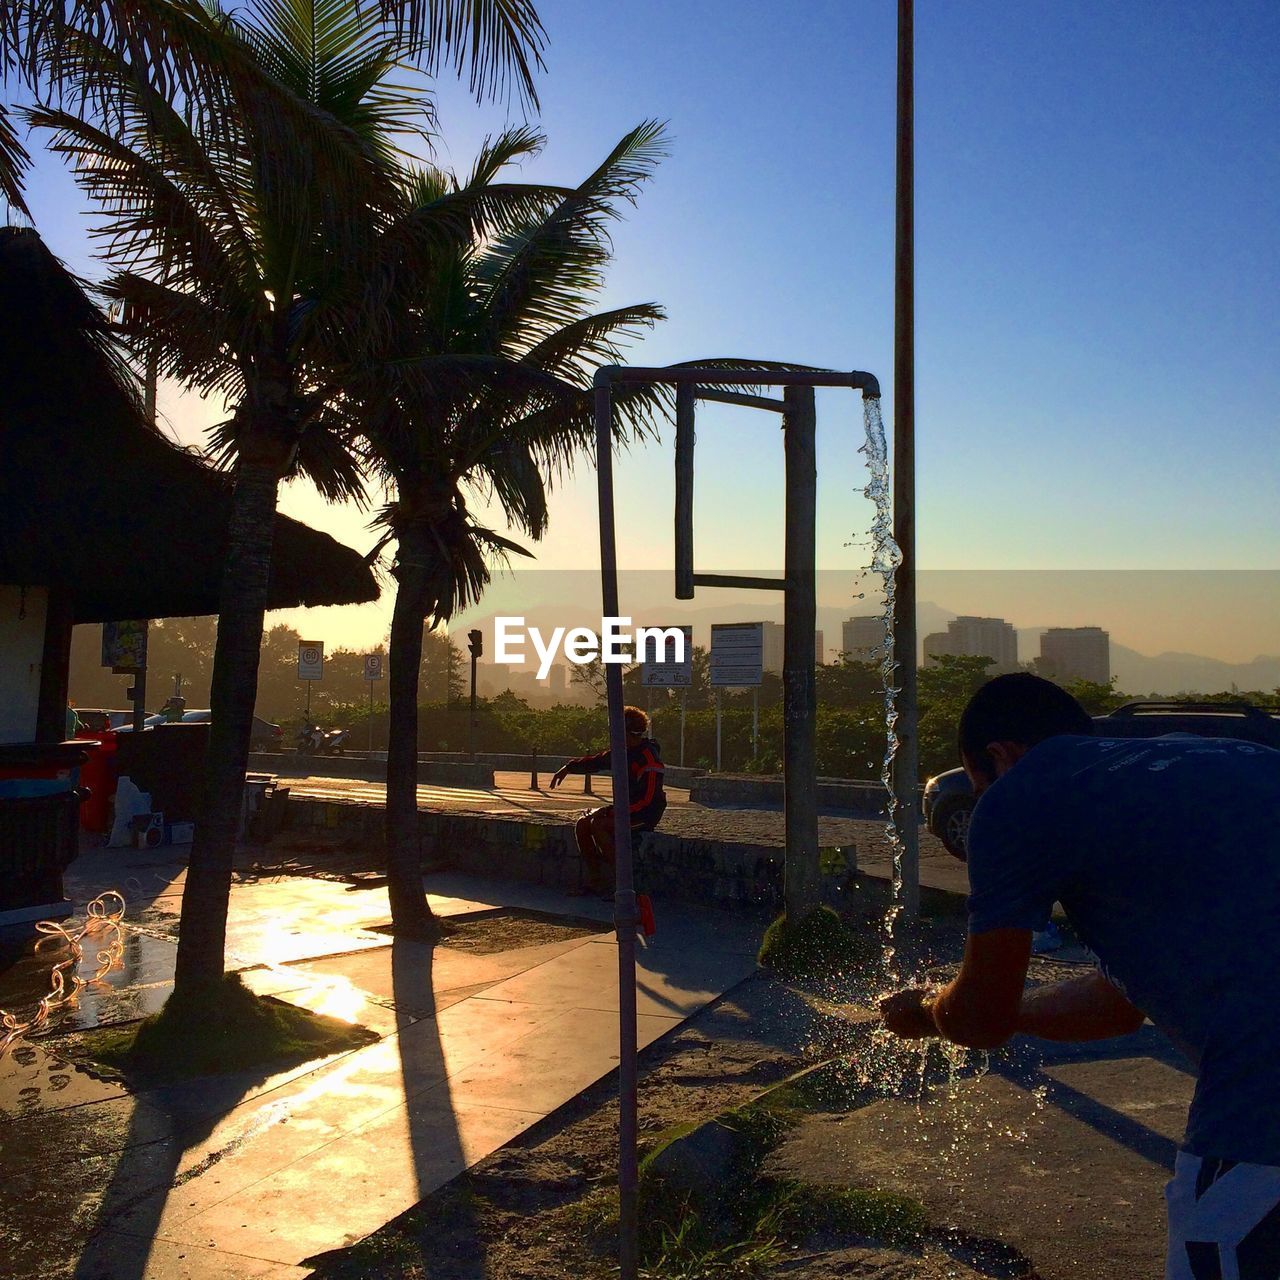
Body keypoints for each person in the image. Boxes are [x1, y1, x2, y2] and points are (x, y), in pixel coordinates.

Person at [879, 673, 1280, 1279]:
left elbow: (980, 1019)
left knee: (1219, 1248)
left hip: (1263, 1101)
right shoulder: (1238, 759)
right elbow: (1117, 1006)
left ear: (999, 757)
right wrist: (1005, 1006)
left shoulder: (1022, 795)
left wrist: (931, 1010)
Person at [550, 706, 666, 897]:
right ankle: (596, 880)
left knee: (599, 825)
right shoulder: (621, 752)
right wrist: (568, 768)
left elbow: (647, 800)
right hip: (625, 808)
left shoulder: (648, 759)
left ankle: (622, 885)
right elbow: (596, 761)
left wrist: (613, 813)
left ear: (629, 733)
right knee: (583, 824)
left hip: (645, 814)